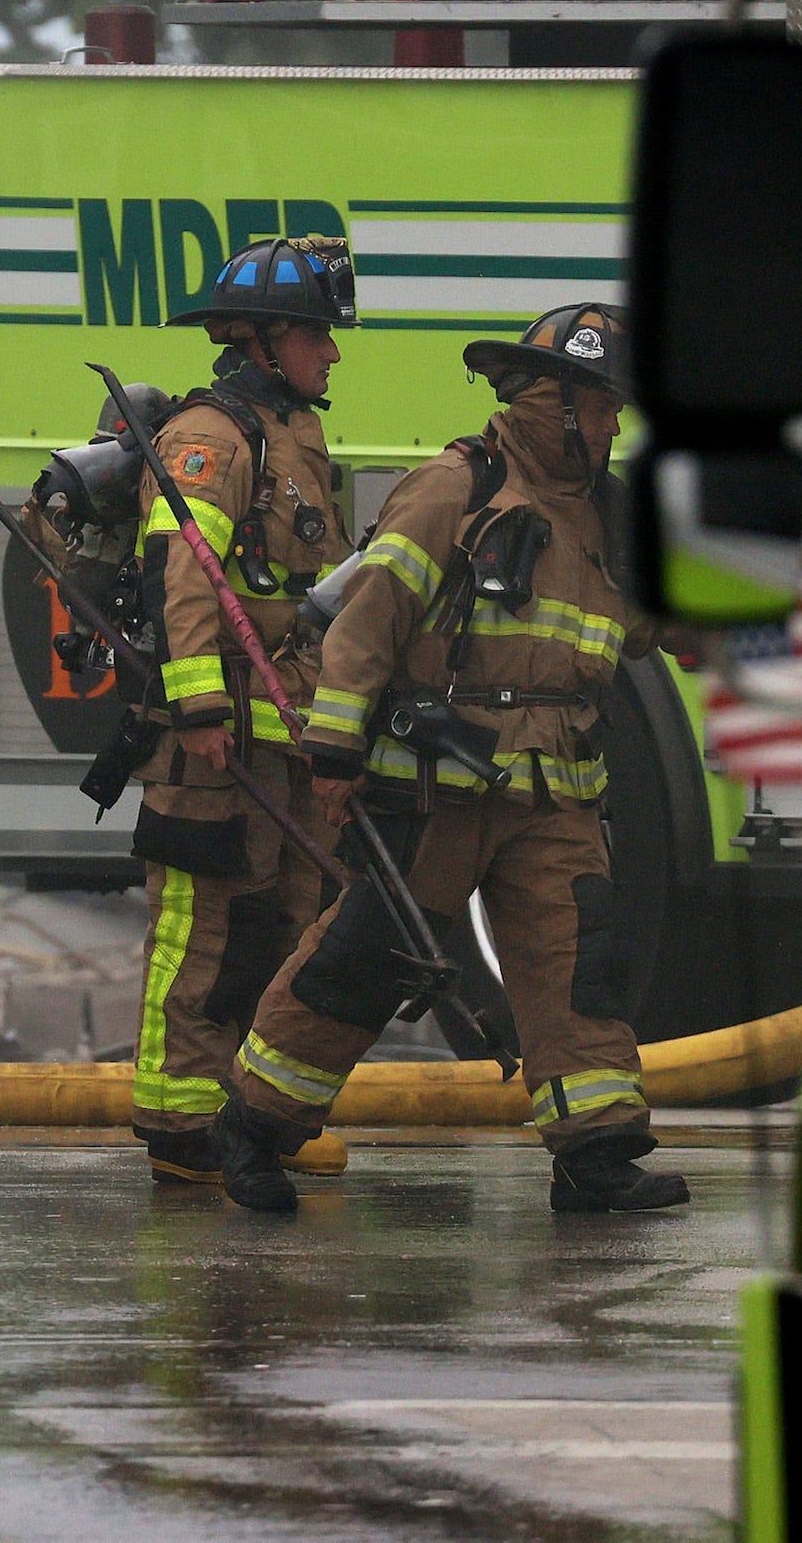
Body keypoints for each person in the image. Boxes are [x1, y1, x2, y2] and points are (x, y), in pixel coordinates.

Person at [220, 304, 690, 1215]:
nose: (613, 427)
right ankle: (255, 1127)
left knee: (576, 965)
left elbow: (648, 627)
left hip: (555, 791)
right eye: (600, 409)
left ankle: (595, 1155)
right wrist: (334, 754)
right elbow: (369, 624)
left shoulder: (604, 517)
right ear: (553, 402)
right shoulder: (454, 488)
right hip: (442, 784)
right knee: (364, 963)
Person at [125, 237, 357, 1188]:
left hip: (285, 730)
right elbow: (186, 575)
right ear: (263, 342)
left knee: (284, 920)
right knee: (202, 928)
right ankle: (180, 1126)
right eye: (316, 336)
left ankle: (246, 1114)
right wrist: (199, 710)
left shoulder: (292, 433)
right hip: (217, 741)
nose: (332, 354)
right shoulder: (213, 438)